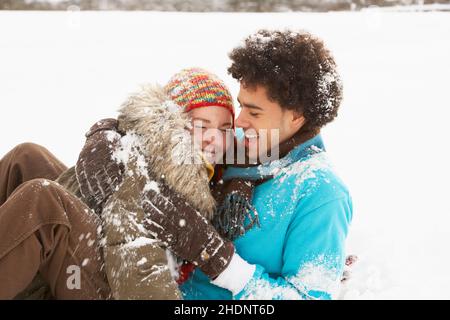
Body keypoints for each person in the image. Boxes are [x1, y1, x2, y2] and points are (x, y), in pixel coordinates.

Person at [150, 30, 354, 300]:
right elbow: (154, 141)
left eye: (254, 112)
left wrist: (225, 265)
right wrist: (104, 137)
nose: (239, 121)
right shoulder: (234, 144)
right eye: (241, 106)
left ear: (296, 116)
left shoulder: (320, 192)